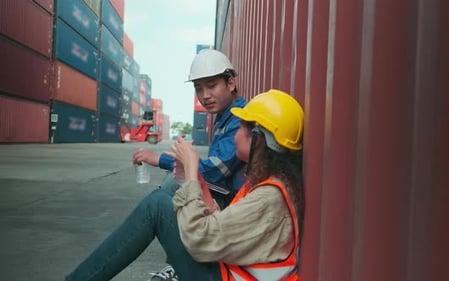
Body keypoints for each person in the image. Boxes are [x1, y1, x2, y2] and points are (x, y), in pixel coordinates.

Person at [65, 89, 305, 281]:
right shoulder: (270, 184)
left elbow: (199, 241)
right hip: (229, 270)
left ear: (260, 140)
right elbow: (229, 230)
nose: (235, 135)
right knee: (159, 203)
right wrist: (201, 187)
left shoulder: (269, 197)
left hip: (226, 275)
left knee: (157, 206)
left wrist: (192, 173)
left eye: (242, 128)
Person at [133, 49, 247, 208]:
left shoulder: (241, 119)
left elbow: (215, 171)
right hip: (227, 197)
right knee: (172, 180)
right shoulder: (225, 116)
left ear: (231, 83)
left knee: (158, 203)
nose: (205, 95)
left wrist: (159, 159)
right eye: (198, 88)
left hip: (230, 207)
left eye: (212, 85)